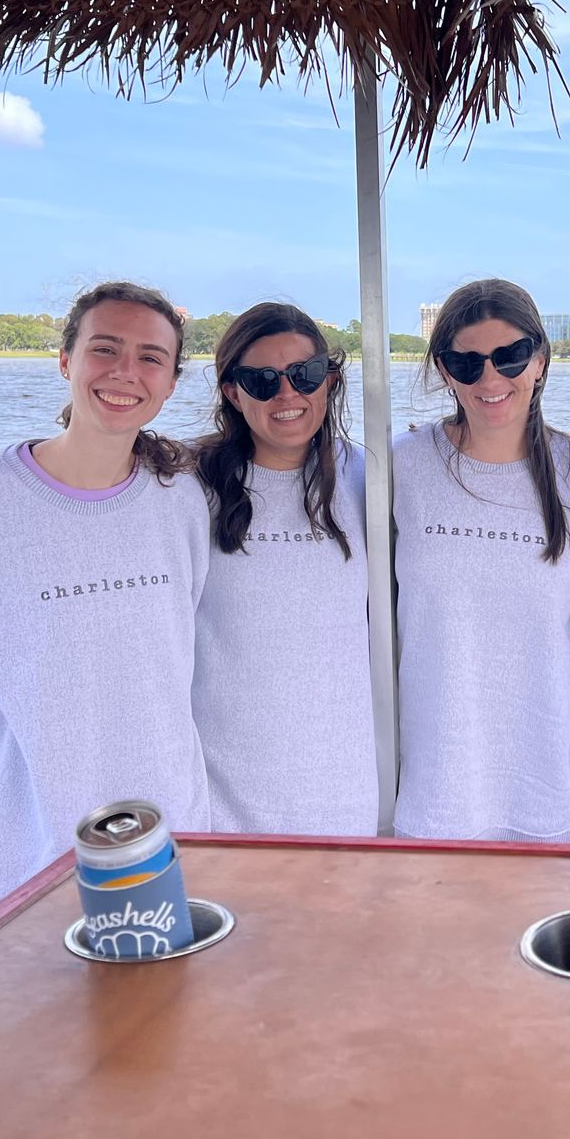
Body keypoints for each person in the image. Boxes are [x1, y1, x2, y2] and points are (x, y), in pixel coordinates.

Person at [0, 281, 211, 937]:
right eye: (104, 349)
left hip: (165, 857)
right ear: (65, 360)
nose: (124, 373)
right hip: (13, 862)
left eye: (150, 358)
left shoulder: (185, 500)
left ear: (171, 383)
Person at [391, 278, 570, 842]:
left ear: (539, 359)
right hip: (433, 792)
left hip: (543, 790)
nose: (490, 378)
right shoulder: (402, 466)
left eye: (509, 357)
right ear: (444, 371)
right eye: (466, 363)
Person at [189, 302, 376, 835]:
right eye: (262, 380)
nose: (287, 394)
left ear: (330, 380)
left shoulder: (370, 478)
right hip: (221, 804)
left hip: (346, 798)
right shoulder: (185, 488)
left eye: (305, 374)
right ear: (232, 391)